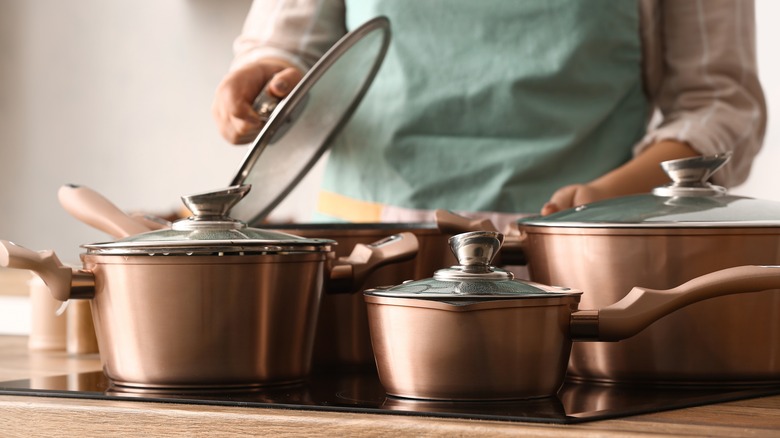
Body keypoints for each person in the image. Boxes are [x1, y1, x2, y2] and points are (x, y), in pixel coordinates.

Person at [212, 0, 765, 230]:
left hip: (577, 270)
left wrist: (616, 194)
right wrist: (264, 77)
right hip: (364, 263)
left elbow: (718, 102)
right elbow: (288, 46)